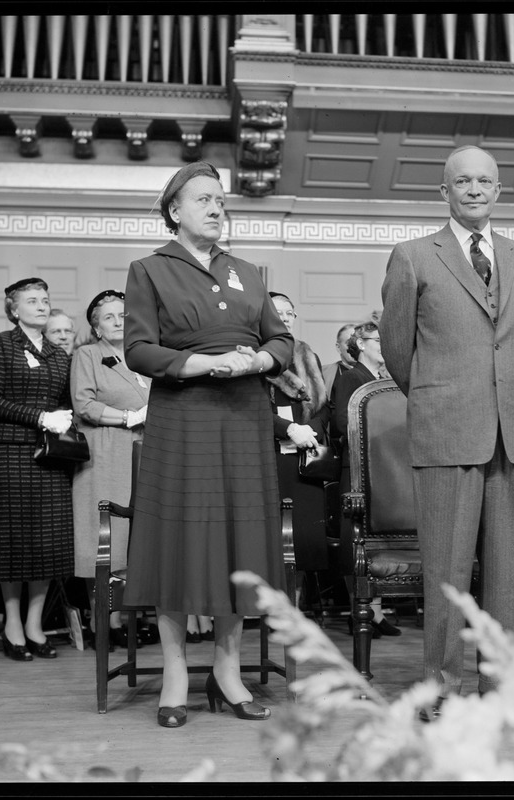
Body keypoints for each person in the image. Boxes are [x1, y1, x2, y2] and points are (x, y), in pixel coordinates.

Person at [122, 161, 293, 729]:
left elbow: (281, 339)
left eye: (221, 200)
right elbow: (140, 350)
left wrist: (261, 358)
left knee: (241, 541)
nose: (218, 208)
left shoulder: (247, 270)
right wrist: (201, 364)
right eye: (204, 200)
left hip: (245, 414)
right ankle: (174, 673)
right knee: (179, 540)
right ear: (175, 211)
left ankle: (227, 670)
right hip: (185, 413)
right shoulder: (149, 269)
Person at [380, 145, 514, 717]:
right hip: (446, 427)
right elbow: (398, 351)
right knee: (448, 569)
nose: (474, 190)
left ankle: (502, 691)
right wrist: (439, 396)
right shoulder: (412, 256)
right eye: (462, 181)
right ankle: (443, 691)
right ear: (443, 192)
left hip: (511, 431)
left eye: (485, 181)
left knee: (505, 572)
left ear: (498, 191)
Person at [0, 278, 75, 660]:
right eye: (31, 300)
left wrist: (62, 418)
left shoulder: (58, 353)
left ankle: (36, 623)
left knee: (47, 542)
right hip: (11, 451)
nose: (41, 305)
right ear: (14, 309)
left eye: (45, 300)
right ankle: (13, 623)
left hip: (51, 456)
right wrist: (39, 417)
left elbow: (66, 401)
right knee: (12, 539)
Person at [70, 290, 151, 648]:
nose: (118, 321)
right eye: (109, 317)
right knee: (106, 535)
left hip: (146, 451)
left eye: (123, 315)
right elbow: (83, 403)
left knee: (135, 537)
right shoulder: (88, 354)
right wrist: (128, 416)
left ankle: (125, 616)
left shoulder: (143, 356)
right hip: (106, 448)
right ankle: (101, 618)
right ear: (96, 327)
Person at [330, 320, 400, 637]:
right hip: (357, 470)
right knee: (356, 542)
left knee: (377, 542)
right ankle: (360, 610)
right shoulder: (351, 378)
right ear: (360, 344)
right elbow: (343, 422)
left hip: (382, 468)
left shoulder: (384, 379)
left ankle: (374, 611)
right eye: (378, 339)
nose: (384, 343)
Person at [266, 292, 331, 609]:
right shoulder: (255, 356)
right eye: (278, 312)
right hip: (270, 455)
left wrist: (311, 431)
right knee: (273, 537)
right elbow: (250, 411)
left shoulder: (307, 354)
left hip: (305, 455)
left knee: (304, 537)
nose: (286, 317)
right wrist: (288, 429)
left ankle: (300, 605)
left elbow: (323, 407)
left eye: (290, 312)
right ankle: (272, 609)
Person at [322, 323, 357, 398]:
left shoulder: (378, 373)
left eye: (356, 342)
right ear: (338, 347)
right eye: (348, 343)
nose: (354, 347)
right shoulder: (324, 373)